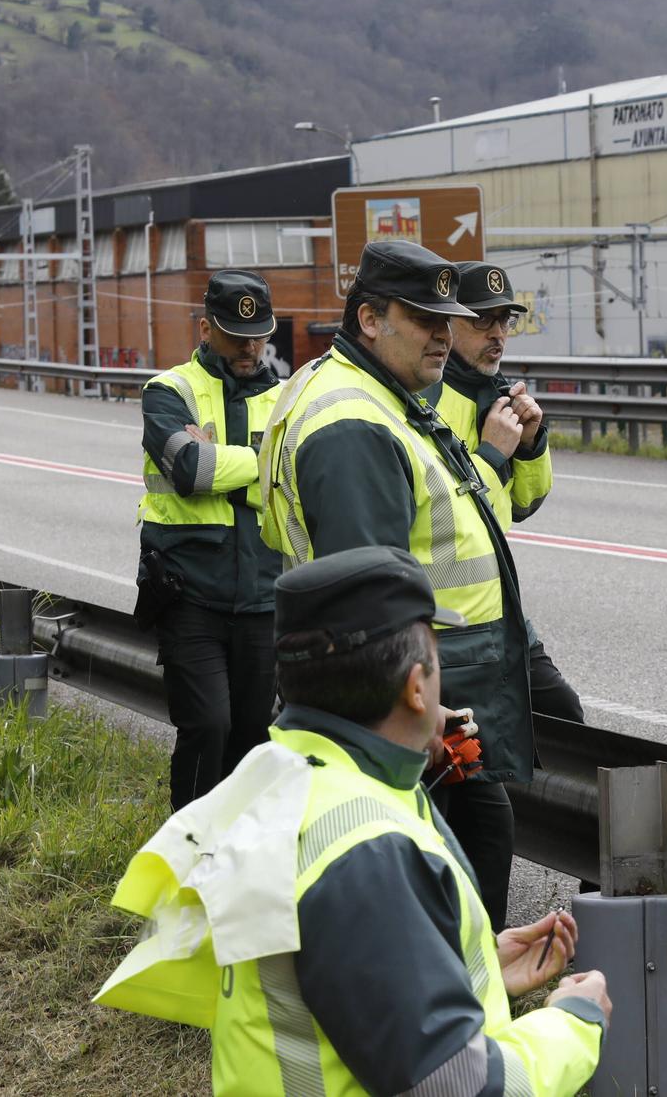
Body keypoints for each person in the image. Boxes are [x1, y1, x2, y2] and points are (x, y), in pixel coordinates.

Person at [96, 546, 611, 1096]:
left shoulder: (279, 778)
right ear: (416, 688)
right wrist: (571, 1024)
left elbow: (333, 989)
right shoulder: (369, 852)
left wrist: (470, 968)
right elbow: (452, 1086)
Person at [257, 240, 535, 923]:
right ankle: (457, 1005)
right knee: (441, 872)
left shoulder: (380, 394)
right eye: (422, 318)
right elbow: (367, 597)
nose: (443, 334)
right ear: (370, 319)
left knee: (476, 843)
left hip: (427, 693)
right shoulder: (353, 421)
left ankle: (466, 998)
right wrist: (410, 713)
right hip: (400, 705)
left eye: (448, 319)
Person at [137, 269, 284, 810]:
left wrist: (226, 465)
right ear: (205, 330)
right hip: (189, 595)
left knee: (251, 738)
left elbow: (295, 483)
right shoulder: (169, 391)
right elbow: (191, 470)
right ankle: (189, 855)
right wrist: (262, 466)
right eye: (234, 334)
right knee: (208, 727)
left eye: (259, 335)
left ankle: (235, 863)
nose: (250, 347)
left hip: (263, 599)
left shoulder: (289, 401)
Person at [433, 261, 586, 724]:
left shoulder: (499, 394)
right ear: (446, 323)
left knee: (563, 712)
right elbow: (439, 506)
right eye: (482, 321)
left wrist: (532, 444)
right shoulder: (425, 400)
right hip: (445, 622)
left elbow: (523, 504)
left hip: (501, 609)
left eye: (505, 320)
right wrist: (493, 453)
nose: (497, 333)